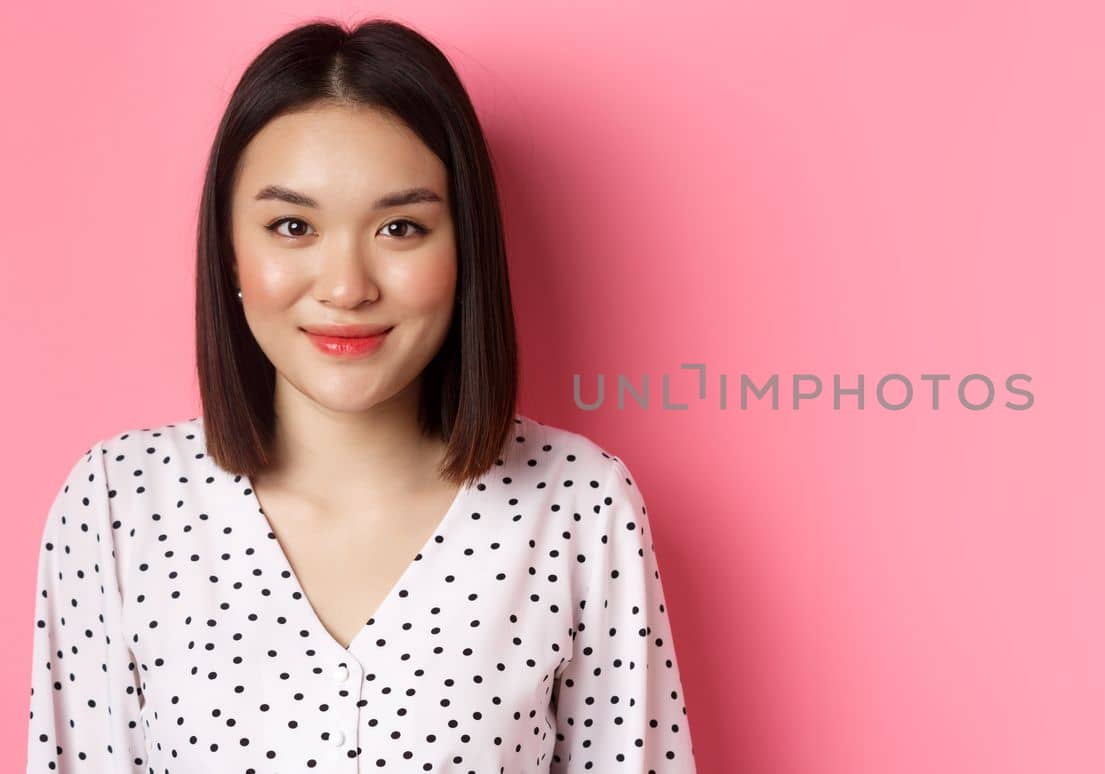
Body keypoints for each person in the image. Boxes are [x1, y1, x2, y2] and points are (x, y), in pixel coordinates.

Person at [25, 18, 698, 773]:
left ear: (464, 248)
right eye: (291, 226)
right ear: (229, 251)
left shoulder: (580, 504)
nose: (347, 287)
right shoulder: (120, 503)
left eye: (401, 227)